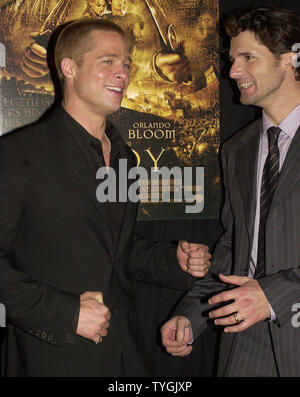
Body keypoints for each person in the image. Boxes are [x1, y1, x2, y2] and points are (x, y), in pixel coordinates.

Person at [0, 18, 211, 377]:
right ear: (69, 67)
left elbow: (119, 252)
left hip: (126, 354)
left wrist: (172, 261)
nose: (123, 73)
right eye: (108, 61)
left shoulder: (125, 157)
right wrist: (66, 314)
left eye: (126, 63)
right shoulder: (18, 153)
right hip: (50, 359)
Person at [161, 5, 300, 377]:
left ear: (289, 60)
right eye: (232, 59)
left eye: (247, 58)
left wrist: (275, 295)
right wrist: (191, 316)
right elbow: (232, 248)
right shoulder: (237, 149)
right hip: (244, 341)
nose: (232, 71)